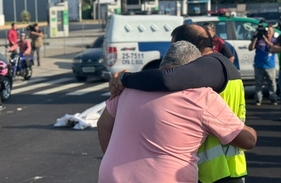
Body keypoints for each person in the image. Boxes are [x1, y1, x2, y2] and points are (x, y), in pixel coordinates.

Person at [98, 41, 257, 183]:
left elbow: (103, 124)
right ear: (193, 69)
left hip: (111, 177)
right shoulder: (201, 97)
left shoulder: (128, 89)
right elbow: (248, 141)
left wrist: (112, 161)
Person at [248, 24, 278, 106]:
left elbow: (273, 47)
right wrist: (256, 37)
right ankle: (258, 99)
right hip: (259, 65)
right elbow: (251, 48)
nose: (268, 32)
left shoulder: (275, 40)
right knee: (258, 84)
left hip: (270, 66)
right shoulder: (259, 40)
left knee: (272, 83)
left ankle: (273, 98)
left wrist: (266, 40)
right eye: (267, 31)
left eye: (270, 31)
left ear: (273, 33)